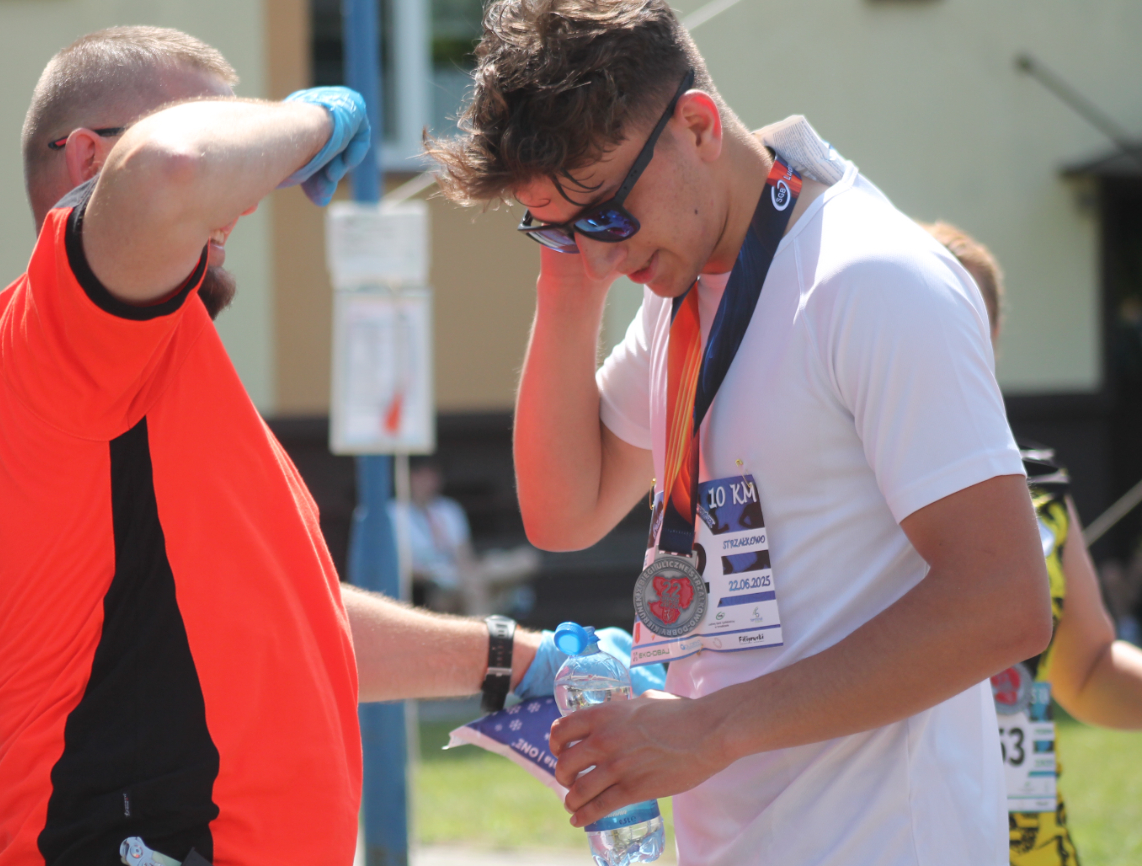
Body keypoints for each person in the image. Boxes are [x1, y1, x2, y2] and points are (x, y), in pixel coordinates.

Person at [0, 26, 615, 866]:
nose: (250, 197)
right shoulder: (63, 330)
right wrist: (315, 118)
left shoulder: (153, 368)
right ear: (90, 162)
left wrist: (516, 660)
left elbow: (287, 622)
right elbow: (172, 171)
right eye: (223, 129)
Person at [424, 1, 1052, 863]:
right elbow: (563, 512)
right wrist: (565, 282)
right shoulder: (680, 288)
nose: (601, 256)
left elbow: (1003, 603)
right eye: (559, 229)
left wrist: (709, 730)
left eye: (604, 213)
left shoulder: (872, 279)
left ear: (697, 126)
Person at [924, 221, 1142, 866]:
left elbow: (1089, 669)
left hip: (1034, 848)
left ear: (990, 336)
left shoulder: (1037, 486)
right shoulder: (843, 490)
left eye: (963, 317)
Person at [389, 457, 539, 615]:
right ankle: (507, 598)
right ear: (408, 478)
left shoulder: (450, 509)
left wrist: (464, 572)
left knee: (527, 559)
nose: (427, 482)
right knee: (486, 591)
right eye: (421, 476)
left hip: (465, 576)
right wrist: (442, 574)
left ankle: (497, 600)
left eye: (432, 475)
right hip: (435, 588)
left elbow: (464, 555)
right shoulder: (394, 513)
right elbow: (402, 568)